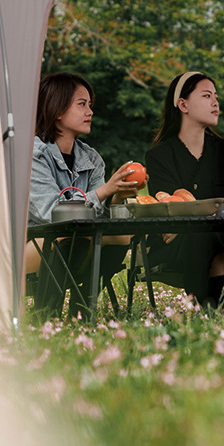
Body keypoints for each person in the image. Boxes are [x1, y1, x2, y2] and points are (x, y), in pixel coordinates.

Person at [145, 71, 224, 307]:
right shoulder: (159, 156)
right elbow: (169, 209)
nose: (215, 102)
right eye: (207, 96)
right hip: (178, 245)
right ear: (183, 104)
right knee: (209, 236)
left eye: (216, 96)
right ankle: (217, 312)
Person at [27, 72, 138, 314]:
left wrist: (116, 196)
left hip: (76, 244)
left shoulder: (92, 159)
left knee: (120, 235)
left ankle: (82, 309)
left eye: (90, 105)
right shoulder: (33, 155)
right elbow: (50, 215)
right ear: (57, 110)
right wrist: (103, 191)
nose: (90, 112)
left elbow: (99, 221)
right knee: (66, 235)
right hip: (30, 244)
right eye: (82, 104)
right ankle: (46, 315)